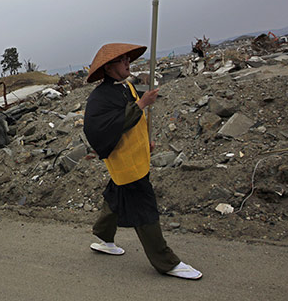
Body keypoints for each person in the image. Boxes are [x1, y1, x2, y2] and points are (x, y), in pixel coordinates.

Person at [83, 43, 202, 280]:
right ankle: (167, 262)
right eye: (123, 60)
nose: (128, 63)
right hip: (126, 164)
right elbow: (103, 128)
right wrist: (141, 104)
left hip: (138, 157)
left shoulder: (126, 87)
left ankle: (103, 236)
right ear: (108, 67)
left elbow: (136, 120)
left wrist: (147, 138)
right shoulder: (99, 98)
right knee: (144, 209)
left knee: (116, 195)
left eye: (128, 59)